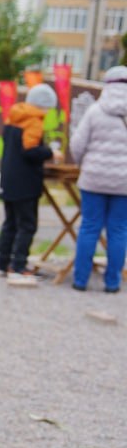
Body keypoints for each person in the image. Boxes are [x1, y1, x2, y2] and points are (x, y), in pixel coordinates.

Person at [68, 64, 127, 293]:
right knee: (119, 230)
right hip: (124, 183)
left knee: (89, 228)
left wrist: (83, 163)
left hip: (93, 179)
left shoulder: (95, 110)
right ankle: (112, 282)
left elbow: (77, 144)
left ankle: (80, 280)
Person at [0, 82, 58, 285]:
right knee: (27, 225)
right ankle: (18, 266)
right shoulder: (33, 120)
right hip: (25, 182)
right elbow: (29, 151)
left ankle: (1, 263)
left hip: (9, 179)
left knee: (10, 223)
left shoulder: (13, 116)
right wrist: (50, 153)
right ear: (44, 105)